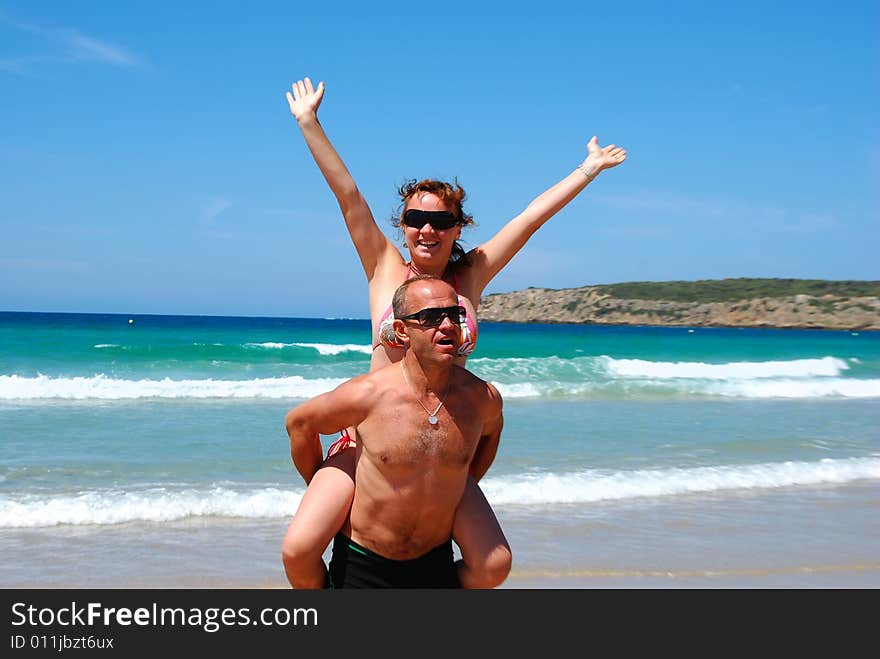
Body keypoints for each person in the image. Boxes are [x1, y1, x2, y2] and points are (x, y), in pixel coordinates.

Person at [282, 76, 626, 588]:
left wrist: (588, 169)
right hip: (369, 442)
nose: (426, 229)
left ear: (458, 227)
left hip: (441, 437)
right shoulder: (384, 270)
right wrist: (310, 123)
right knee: (301, 548)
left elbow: (529, 220)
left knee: (493, 566)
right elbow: (348, 196)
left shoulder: (470, 278)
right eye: (415, 218)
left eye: (439, 221)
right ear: (402, 224)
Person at [284, 276, 504, 587]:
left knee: (496, 564)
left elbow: (493, 428)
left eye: (453, 315)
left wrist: (462, 481)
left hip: (432, 559)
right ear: (401, 331)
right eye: (429, 318)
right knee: (297, 552)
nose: (446, 325)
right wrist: (318, 480)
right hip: (363, 561)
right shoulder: (368, 394)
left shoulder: (481, 397)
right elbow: (300, 423)